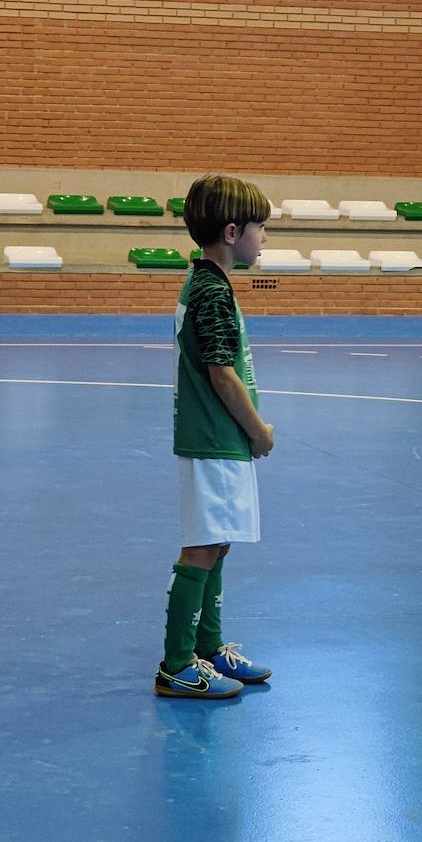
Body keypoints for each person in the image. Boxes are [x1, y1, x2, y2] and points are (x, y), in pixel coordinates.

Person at [156, 174, 275, 699]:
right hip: (213, 438)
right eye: (261, 228)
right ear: (232, 232)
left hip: (218, 439)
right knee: (202, 547)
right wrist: (260, 430)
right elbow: (221, 374)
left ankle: (208, 648)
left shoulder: (208, 284)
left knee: (218, 542)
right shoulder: (210, 291)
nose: (265, 238)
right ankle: (177, 663)